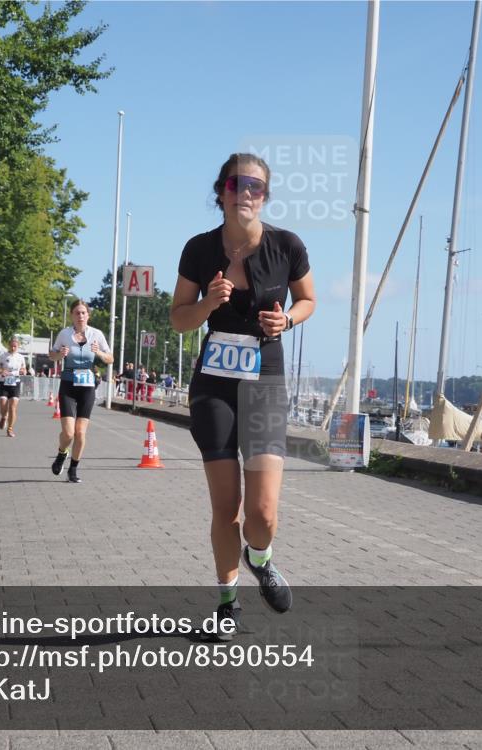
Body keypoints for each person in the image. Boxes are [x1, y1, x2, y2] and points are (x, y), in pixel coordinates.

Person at [169, 153, 316, 641]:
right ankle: (227, 602)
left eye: (256, 186)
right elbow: (178, 318)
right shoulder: (199, 249)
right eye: (237, 184)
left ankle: (262, 558)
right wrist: (208, 303)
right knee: (226, 506)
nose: (246, 193)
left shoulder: (286, 246)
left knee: (263, 513)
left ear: (264, 195)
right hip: (214, 385)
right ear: (222, 192)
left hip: (264, 383)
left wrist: (288, 320)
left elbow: (309, 299)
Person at [49, 300, 114, 483]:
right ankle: (62, 454)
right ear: (72, 315)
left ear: (88, 315)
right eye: (77, 313)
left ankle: (73, 469)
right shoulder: (64, 334)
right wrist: (59, 355)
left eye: (83, 313)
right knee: (68, 433)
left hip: (87, 387)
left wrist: (99, 354)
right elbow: (51, 354)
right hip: (68, 386)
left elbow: (110, 358)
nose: (80, 316)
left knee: (80, 433)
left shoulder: (97, 335)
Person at [0, 337, 28, 437]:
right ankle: (4, 417)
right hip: (4, 383)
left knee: (13, 407)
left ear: (18, 346)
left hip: (15, 383)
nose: (13, 348)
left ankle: (10, 429)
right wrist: (1, 371)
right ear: (9, 345)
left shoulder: (21, 357)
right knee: (3, 405)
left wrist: (23, 372)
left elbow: (24, 370)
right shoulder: (3, 356)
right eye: (12, 346)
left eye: (15, 346)